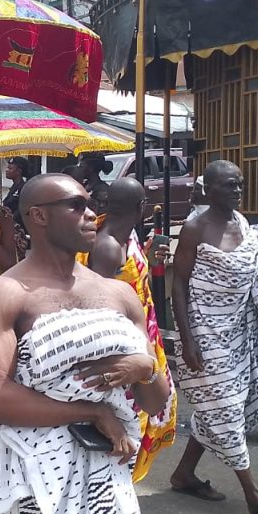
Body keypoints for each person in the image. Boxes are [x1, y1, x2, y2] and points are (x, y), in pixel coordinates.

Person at [0, 173, 170, 514]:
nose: (91, 214)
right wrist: (92, 412)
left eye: (90, 203)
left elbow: (157, 400)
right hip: (30, 473)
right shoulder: (5, 293)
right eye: (76, 205)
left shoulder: (119, 294)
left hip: (106, 472)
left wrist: (145, 370)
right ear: (38, 216)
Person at [170, 160, 258, 514]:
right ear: (209, 190)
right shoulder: (195, 228)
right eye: (229, 185)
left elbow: (249, 271)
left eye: (240, 184)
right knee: (225, 406)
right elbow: (178, 285)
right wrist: (187, 338)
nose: (237, 191)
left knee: (218, 407)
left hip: (237, 331)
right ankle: (254, 495)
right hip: (203, 332)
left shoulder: (243, 225)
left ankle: (183, 474)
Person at [78, 177, 177, 482]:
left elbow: (129, 280)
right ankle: (116, 507)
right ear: (141, 207)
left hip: (141, 336)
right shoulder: (107, 246)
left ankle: (122, 505)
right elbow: (96, 302)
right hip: (120, 347)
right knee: (127, 423)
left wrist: (146, 255)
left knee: (145, 415)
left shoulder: (126, 237)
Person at [2, 156, 31, 227]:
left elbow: (22, 209)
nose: (6, 170)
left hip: (18, 226)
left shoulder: (24, 188)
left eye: (10, 168)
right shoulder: (13, 188)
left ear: (19, 171)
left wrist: (11, 219)